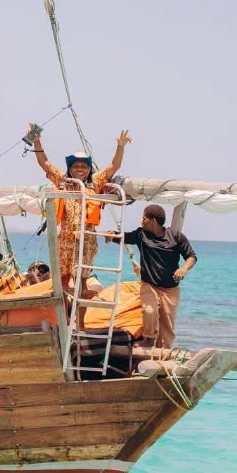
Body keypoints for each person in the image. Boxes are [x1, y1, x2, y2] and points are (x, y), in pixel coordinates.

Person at [30, 127, 131, 296]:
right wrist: (37, 141)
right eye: (76, 166)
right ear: (70, 168)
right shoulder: (63, 181)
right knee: (61, 282)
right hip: (65, 240)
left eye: (84, 166)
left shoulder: (95, 182)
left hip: (86, 240)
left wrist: (120, 146)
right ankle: (64, 310)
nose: (80, 169)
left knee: (81, 284)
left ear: (89, 169)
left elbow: (114, 166)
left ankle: (80, 313)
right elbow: (45, 164)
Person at [105, 204, 196, 348]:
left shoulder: (175, 236)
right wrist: (112, 235)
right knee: (150, 310)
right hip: (149, 285)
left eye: (144, 218)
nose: (141, 221)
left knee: (167, 326)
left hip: (170, 290)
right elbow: (125, 237)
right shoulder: (141, 235)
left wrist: (184, 269)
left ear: (153, 221)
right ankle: (149, 339)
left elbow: (191, 256)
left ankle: (164, 351)